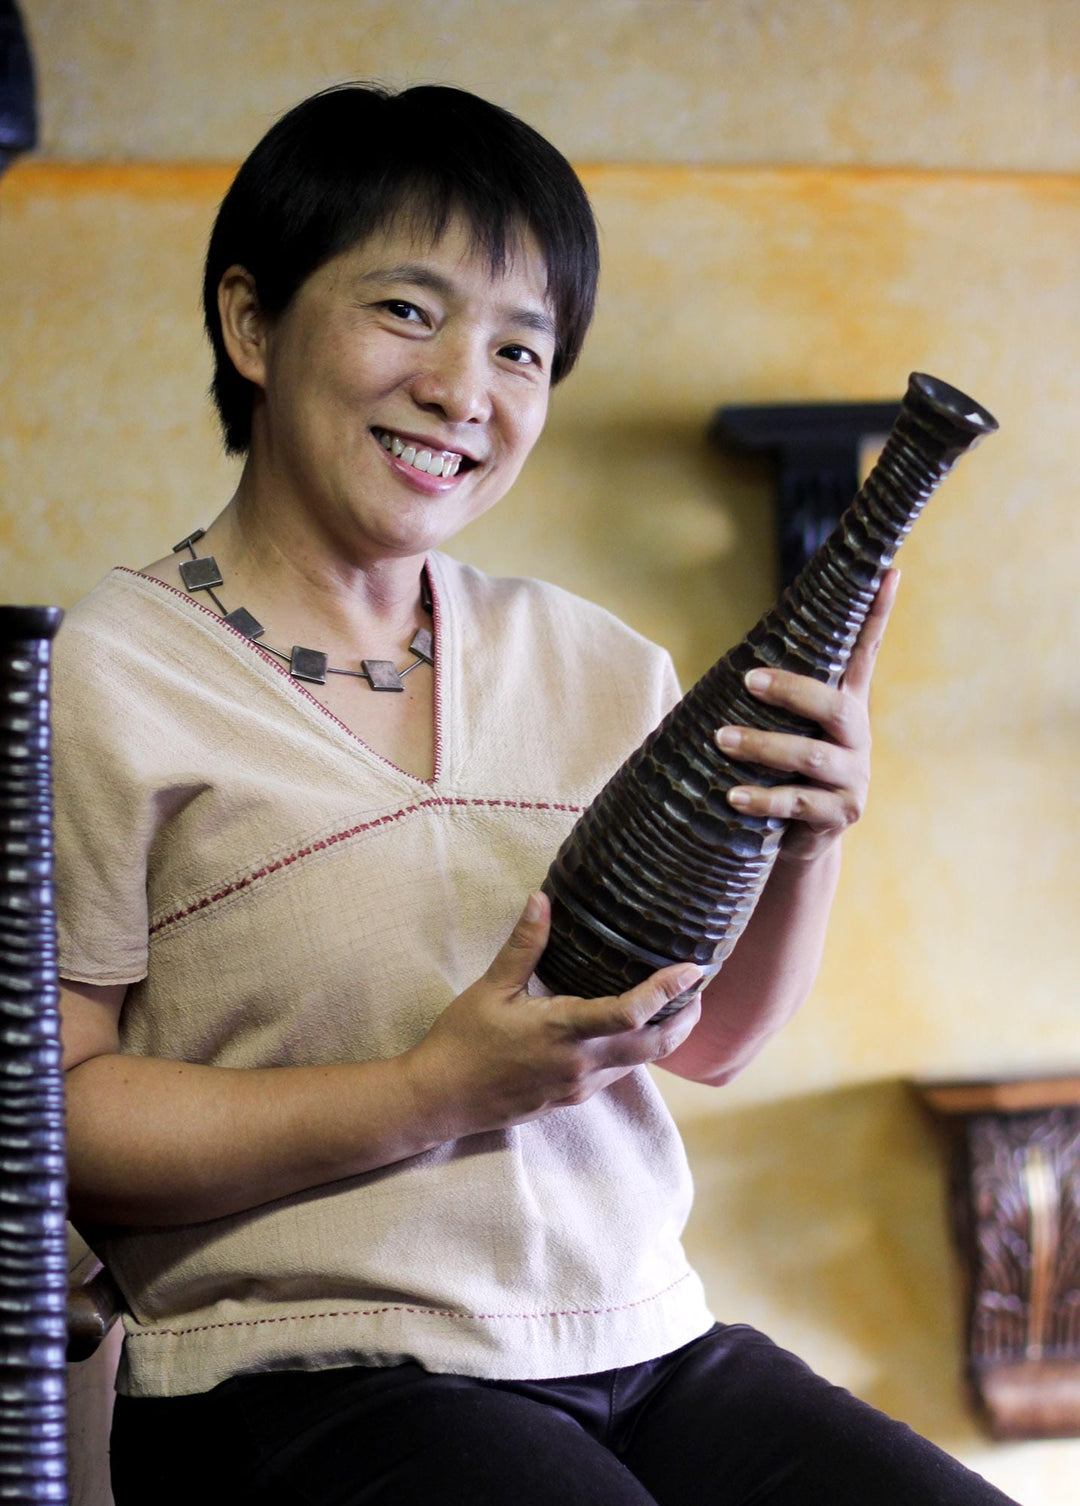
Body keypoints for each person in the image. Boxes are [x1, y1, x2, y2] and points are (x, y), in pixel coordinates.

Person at [55, 84, 1019, 1506]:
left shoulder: (598, 662)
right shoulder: (101, 675)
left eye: (523, 344)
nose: (467, 386)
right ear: (250, 322)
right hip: (302, 1369)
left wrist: (812, 837)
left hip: (645, 1336)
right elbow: (61, 1120)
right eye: (408, 311)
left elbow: (706, 1043)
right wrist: (424, 1094)